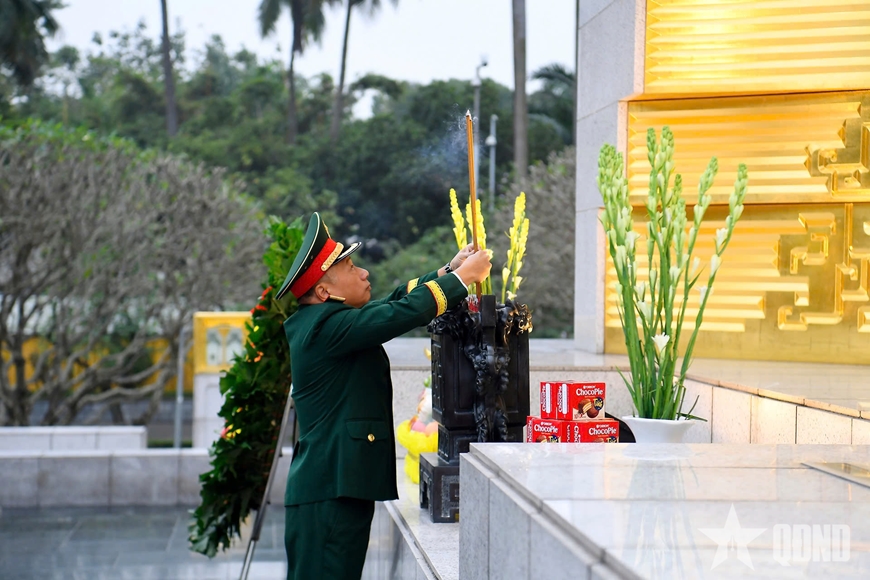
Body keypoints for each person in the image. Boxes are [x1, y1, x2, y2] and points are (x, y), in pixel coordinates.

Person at [275, 212, 491, 579]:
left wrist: (446, 271)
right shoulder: (325, 328)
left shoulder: (330, 321)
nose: (364, 273)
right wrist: (461, 280)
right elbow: (396, 315)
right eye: (351, 268)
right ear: (325, 292)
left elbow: (390, 303)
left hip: (334, 488)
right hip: (329, 492)